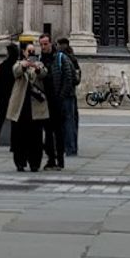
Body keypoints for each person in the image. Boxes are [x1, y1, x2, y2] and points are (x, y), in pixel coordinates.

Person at [6, 40, 49, 172]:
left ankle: (35, 162)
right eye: (29, 51)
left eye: (33, 51)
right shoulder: (19, 64)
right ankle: (20, 162)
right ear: (24, 52)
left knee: (35, 136)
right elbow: (16, 72)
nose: (31, 53)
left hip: (35, 106)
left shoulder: (39, 64)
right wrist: (24, 66)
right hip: (21, 105)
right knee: (19, 135)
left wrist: (36, 68)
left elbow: (44, 73)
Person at [38, 33, 75, 170]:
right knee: (48, 132)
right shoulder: (40, 59)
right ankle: (51, 160)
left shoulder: (60, 58)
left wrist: (61, 97)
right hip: (45, 100)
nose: (43, 47)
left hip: (57, 100)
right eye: (41, 44)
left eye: (45, 44)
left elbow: (68, 78)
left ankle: (60, 160)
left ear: (51, 43)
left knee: (59, 132)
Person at [56, 38, 81, 156]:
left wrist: (61, 94)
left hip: (66, 94)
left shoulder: (62, 58)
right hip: (72, 94)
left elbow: (68, 78)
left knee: (66, 121)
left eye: (57, 44)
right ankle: (72, 146)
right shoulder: (73, 58)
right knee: (72, 121)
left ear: (61, 45)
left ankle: (69, 147)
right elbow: (77, 78)